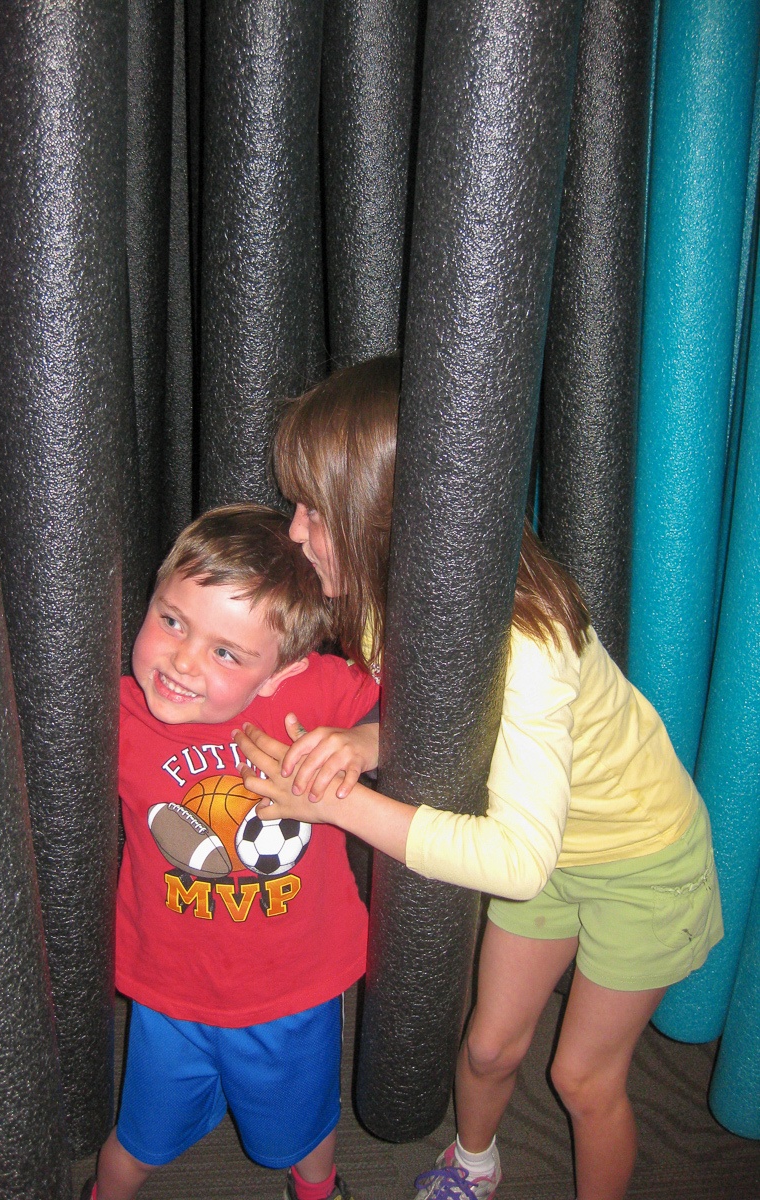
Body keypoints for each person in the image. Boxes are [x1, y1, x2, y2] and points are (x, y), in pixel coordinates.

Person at [232, 356, 724, 1200]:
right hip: (544, 840)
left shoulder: (525, 646)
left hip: (640, 862)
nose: (295, 532)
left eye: (316, 510)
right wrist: (361, 739)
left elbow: (516, 861)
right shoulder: (398, 599)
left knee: (580, 1078)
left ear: (381, 518)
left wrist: (340, 802)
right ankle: (474, 1162)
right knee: (490, 1047)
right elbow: (456, 722)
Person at [87, 503, 380, 1200]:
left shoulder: (313, 693)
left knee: (303, 1133)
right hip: (169, 993)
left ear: (279, 672)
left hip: (293, 990)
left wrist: (367, 743)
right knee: (137, 1140)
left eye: (226, 652)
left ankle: (318, 1189)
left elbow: (434, 711)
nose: (183, 661)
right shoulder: (114, 711)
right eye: (171, 620)